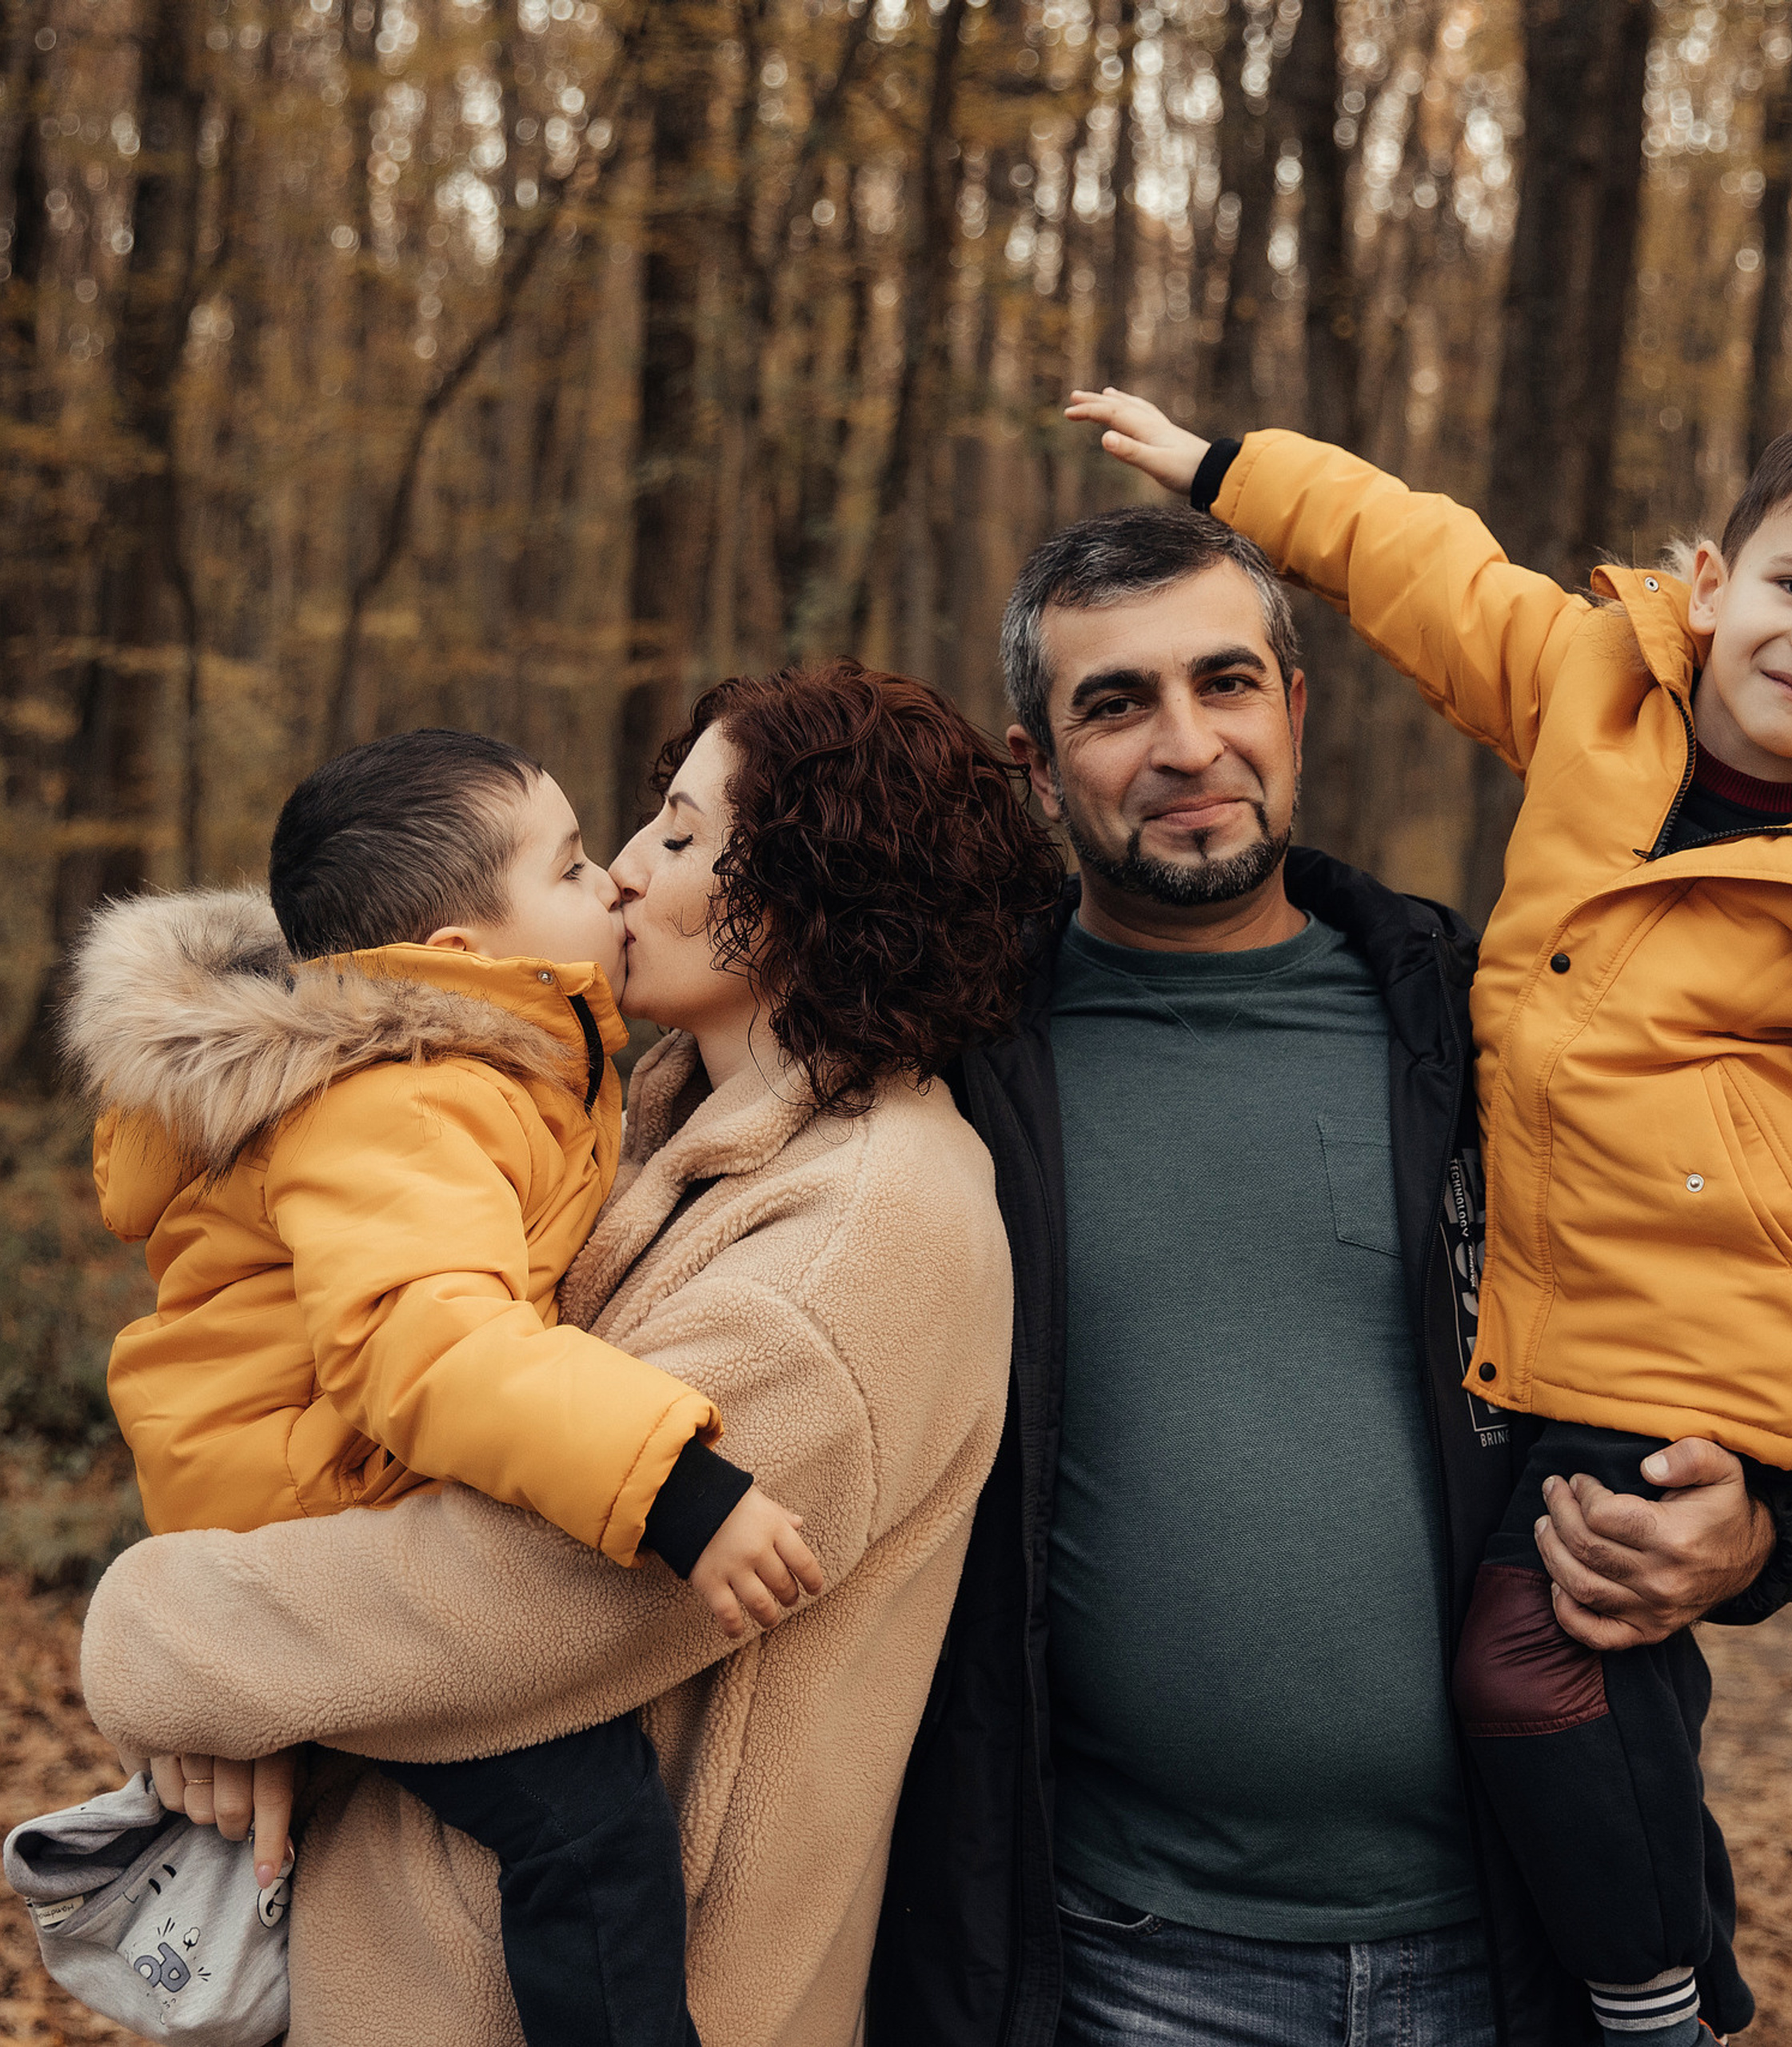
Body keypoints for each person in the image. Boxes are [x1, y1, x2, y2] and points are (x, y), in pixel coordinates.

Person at [1052, 389, 1792, 2047]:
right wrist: (1226, 469)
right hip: (1559, 1329)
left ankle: (1655, 1990)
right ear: (1714, 579)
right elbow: (1411, 558)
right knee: (1559, 1650)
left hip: (1715, 1342)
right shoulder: (1591, 687)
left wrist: (1769, 1510)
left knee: (1543, 1657)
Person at [868, 501, 1792, 2047]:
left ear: (1297, 706)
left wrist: (1758, 1534)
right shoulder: (955, 1076)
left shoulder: (1496, 1032)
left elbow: (1755, 1318)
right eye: (1115, 705)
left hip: (1523, 1929)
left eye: (1227, 683)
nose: (1188, 745)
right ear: (1033, 760)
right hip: (1128, 1961)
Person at [77, 660, 1063, 2046]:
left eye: (672, 834)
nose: (622, 879)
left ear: (798, 894)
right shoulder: (625, 1113)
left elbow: (514, 1599)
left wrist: (164, 1636)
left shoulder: (855, 1241)